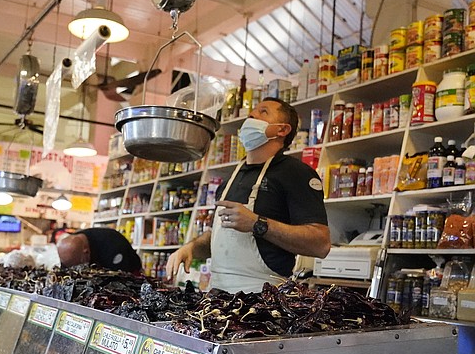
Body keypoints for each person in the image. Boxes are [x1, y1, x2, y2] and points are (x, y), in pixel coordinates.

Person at [166, 97, 331, 293]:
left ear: (282, 130)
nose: (251, 115)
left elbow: (320, 244)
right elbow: (223, 236)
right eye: (252, 111)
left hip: (263, 301)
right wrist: (192, 248)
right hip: (217, 296)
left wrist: (257, 223)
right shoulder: (231, 180)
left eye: (263, 112)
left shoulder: (296, 173)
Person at [57, 227, 142, 273]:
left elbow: (124, 277)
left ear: (86, 252)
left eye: (79, 264)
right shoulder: (70, 245)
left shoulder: (113, 245)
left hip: (129, 269)